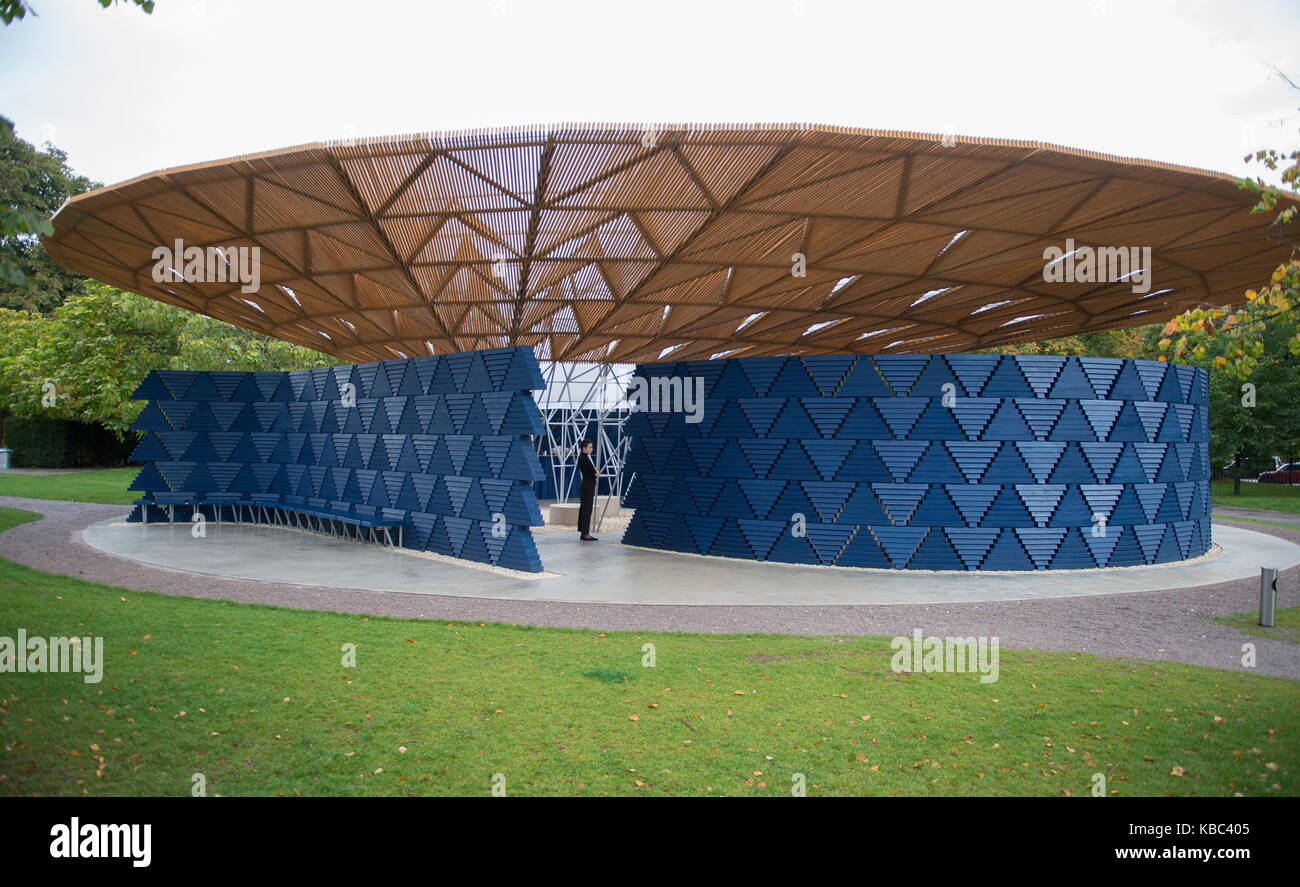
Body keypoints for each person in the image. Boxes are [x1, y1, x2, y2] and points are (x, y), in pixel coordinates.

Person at [577, 439, 598, 541]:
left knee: (584, 508)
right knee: (587, 510)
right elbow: (595, 473)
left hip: (586, 485)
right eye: (589, 447)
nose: (591, 449)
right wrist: (596, 473)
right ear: (584, 448)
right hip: (587, 486)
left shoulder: (583, 458)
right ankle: (585, 533)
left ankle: (583, 531)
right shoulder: (584, 459)